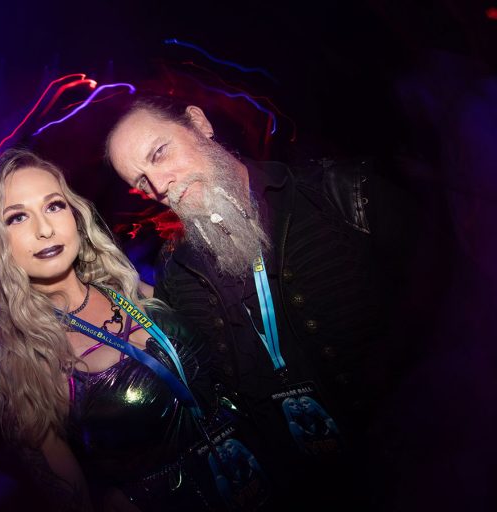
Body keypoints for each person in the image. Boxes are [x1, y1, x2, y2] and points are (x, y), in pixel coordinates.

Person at [105, 95, 414, 509]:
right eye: (142, 182)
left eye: (160, 153)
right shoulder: (175, 270)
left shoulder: (345, 194)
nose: (160, 186)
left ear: (199, 123)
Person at [0, 148, 267, 511]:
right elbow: (72, 498)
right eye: (17, 217)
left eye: (54, 206)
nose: (44, 229)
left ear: (75, 215)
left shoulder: (127, 288)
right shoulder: (25, 364)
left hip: (260, 468)